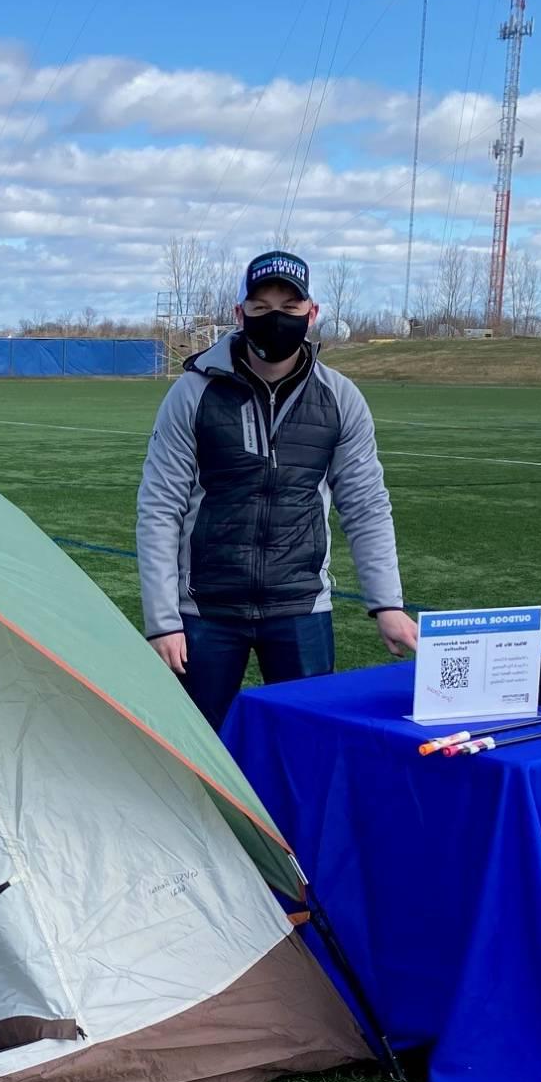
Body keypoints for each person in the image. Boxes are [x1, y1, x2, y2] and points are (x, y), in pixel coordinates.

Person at [137, 249, 416, 730]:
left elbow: (366, 505)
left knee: (306, 748)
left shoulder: (340, 398)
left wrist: (387, 602)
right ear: (239, 313)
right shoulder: (192, 392)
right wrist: (163, 620)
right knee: (197, 751)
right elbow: (160, 506)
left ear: (312, 314)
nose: (275, 319)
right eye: (262, 307)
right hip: (204, 610)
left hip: (300, 606)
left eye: (289, 308)